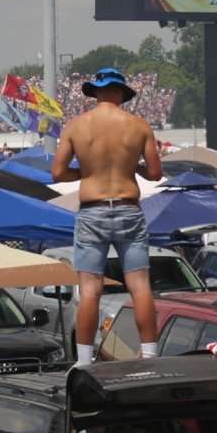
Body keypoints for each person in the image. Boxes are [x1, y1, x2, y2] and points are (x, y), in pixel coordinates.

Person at [52, 67, 163, 365]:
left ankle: (85, 361)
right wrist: (131, 168)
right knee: (139, 284)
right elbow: (154, 172)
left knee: (90, 288)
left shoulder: (77, 126)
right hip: (128, 208)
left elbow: (58, 172)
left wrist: (88, 171)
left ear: (97, 92)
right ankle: (150, 354)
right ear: (121, 94)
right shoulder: (139, 126)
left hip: (92, 211)